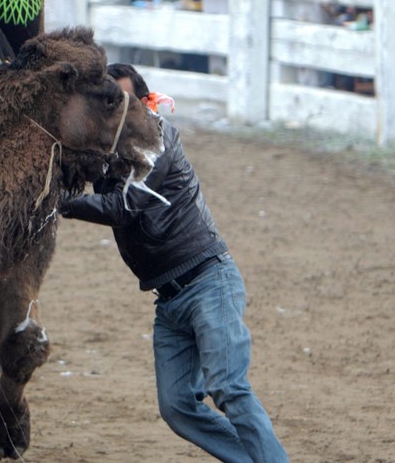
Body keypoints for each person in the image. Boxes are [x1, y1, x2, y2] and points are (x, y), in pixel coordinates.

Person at [61, 63, 289, 463]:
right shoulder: (109, 156)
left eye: (123, 101)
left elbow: (123, 206)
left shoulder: (158, 139)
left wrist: (60, 202)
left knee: (229, 389)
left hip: (207, 282)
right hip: (170, 299)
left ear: (142, 106)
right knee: (177, 406)